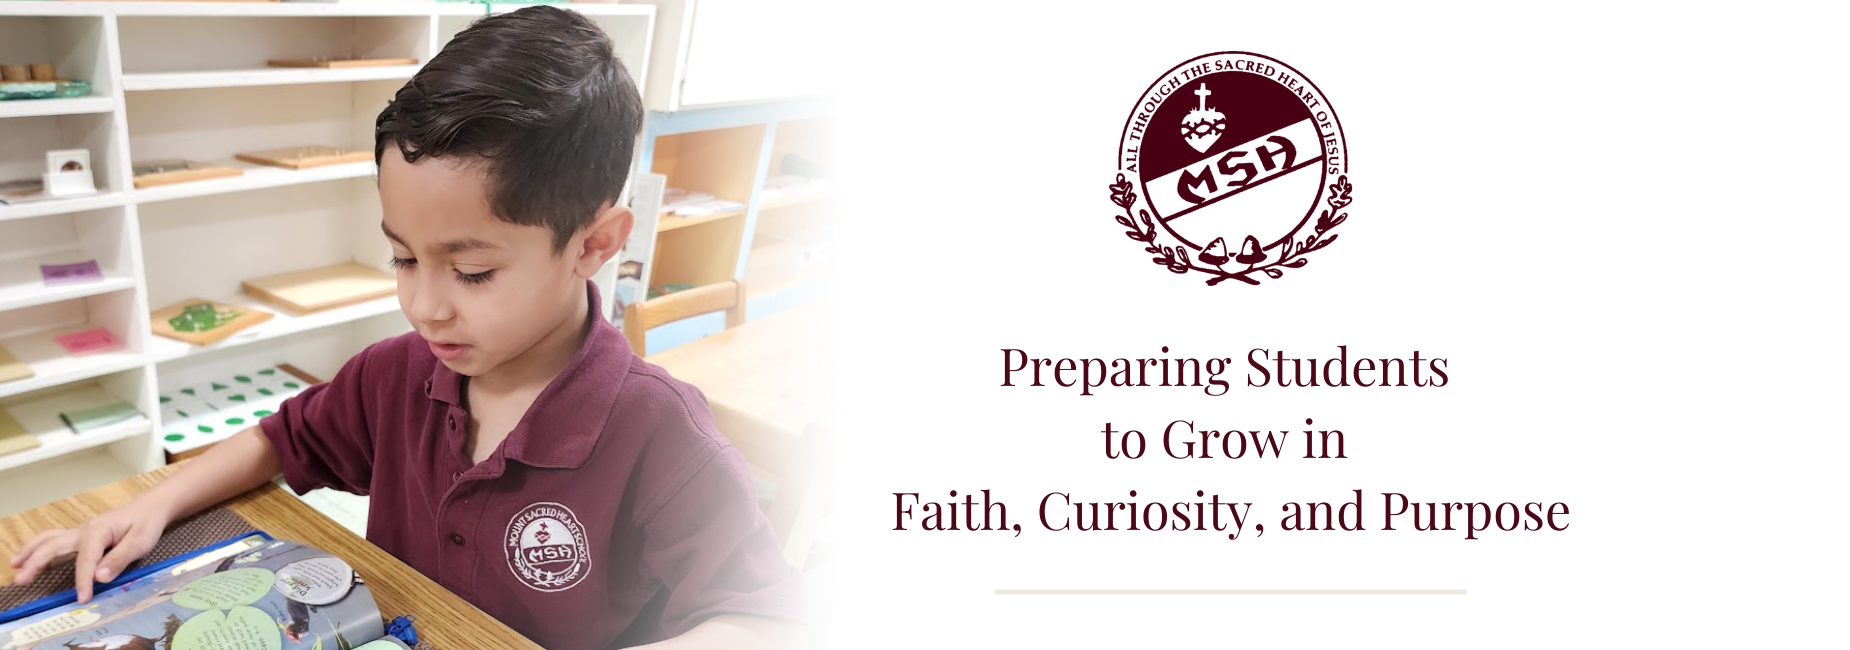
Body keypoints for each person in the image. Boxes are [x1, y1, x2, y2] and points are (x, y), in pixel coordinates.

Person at [8, 7, 803, 649]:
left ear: (594, 245)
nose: (426, 306)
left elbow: (765, 618)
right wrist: (151, 504)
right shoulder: (396, 374)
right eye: (402, 258)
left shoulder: (661, 435)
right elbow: (281, 441)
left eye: (472, 272)